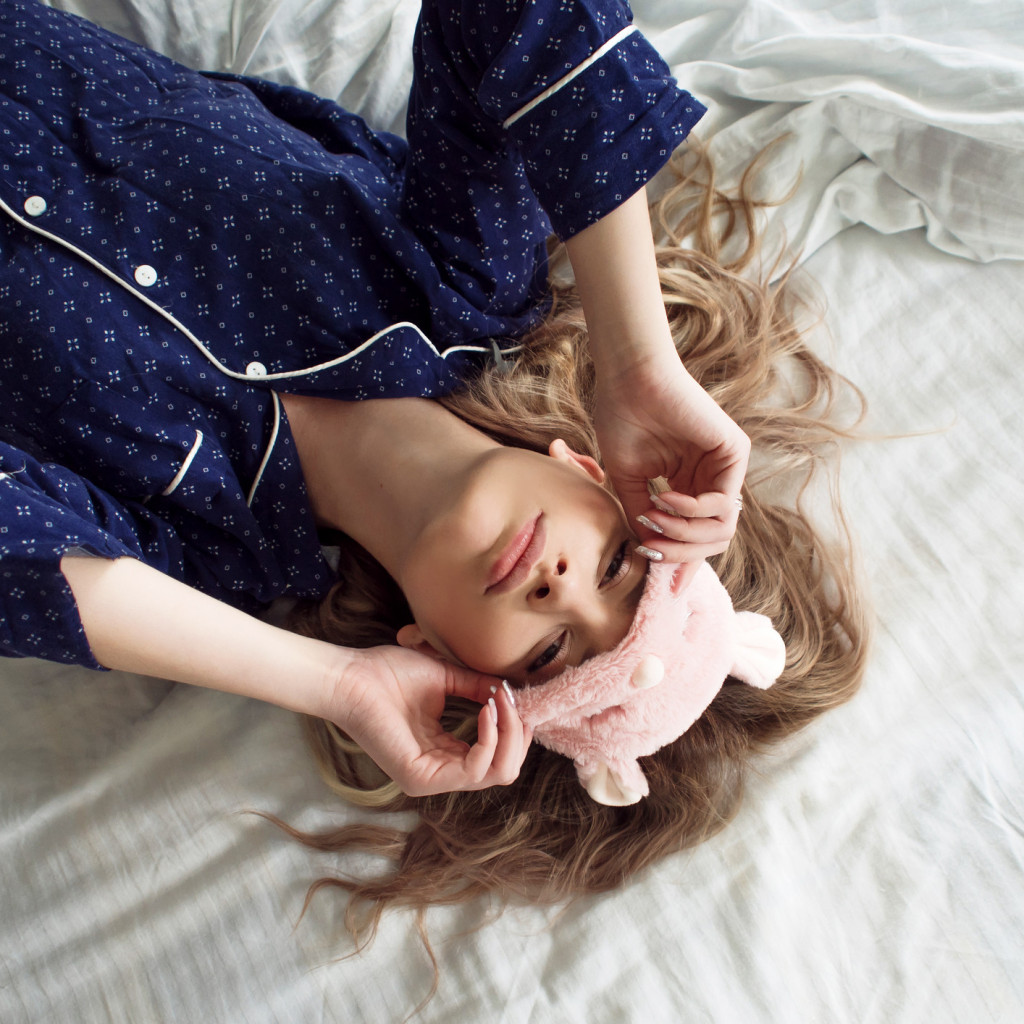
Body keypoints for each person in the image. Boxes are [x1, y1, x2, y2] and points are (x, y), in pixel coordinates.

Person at [0, 0, 867, 931]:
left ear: (448, 662)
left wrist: (334, 683)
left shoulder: (198, 559)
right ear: (590, 468)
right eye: (619, 565)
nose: (560, 591)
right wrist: (637, 363)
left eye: (551, 654)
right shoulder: (465, 276)